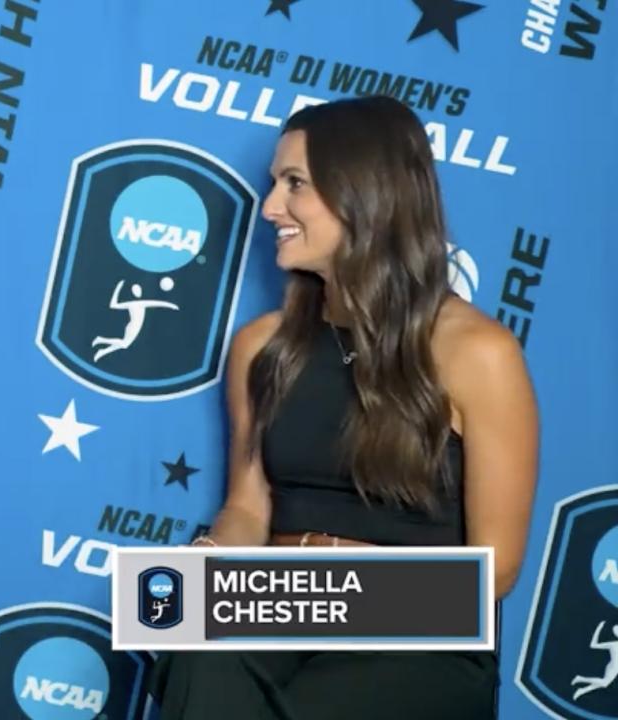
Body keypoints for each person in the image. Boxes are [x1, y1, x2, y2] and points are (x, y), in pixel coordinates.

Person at [148, 95, 539, 719]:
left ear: (365, 194)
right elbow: (247, 509)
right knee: (197, 650)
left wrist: (348, 589)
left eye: (294, 184)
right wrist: (205, 567)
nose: (270, 207)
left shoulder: (478, 352)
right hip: (280, 608)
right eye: (274, 183)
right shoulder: (260, 347)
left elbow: (497, 570)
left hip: (418, 638)